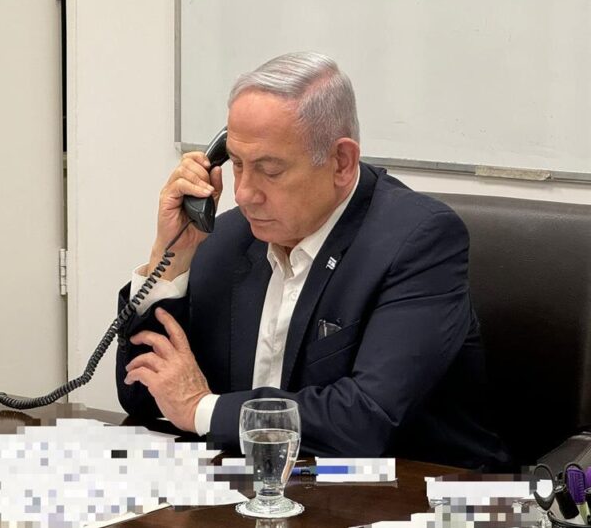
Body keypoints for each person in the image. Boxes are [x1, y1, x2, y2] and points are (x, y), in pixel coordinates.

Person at [116, 51, 509, 469]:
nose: (244, 193)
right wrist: (170, 258)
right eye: (237, 164)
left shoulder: (419, 243)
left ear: (341, 162)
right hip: (265, 484)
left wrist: (201, 409)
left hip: (411, 488)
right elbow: (143, 396)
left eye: (270, 170)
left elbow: (366, 419)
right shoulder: (227, 238)